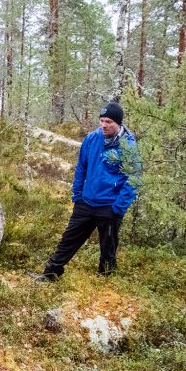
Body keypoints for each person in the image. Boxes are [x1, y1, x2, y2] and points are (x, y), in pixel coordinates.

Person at [35, 102, 141, 281]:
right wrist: (77, 195)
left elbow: (134, 179)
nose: (104, 125)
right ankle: (51, 273)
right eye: (101, 120)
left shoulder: (128, 146)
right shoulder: (92, 139)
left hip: (109, 205)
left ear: (119, 123)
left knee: (108, 247)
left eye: (109, 121)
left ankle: (105, 278)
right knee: (68, 240)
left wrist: (118, 208)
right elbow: (81, 168)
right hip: (86, 201)